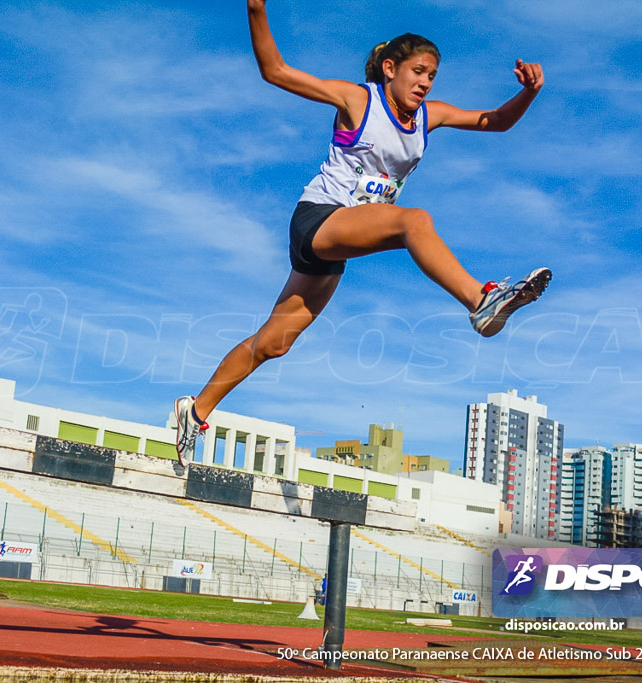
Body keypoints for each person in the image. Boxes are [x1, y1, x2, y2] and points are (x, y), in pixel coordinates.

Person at [173, 0, 552, 465]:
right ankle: (481, 299)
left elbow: (495, 120)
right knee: (414, 222)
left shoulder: (428, 118)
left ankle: (196, 409)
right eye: (418, 71)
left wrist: (529, 93)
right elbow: (275, 70)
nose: (425, 83)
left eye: (432, 75)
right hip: (318, 218)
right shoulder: (359, 100)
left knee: (274, 342)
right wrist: (255, 8)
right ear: (389, 68)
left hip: (340, 242)